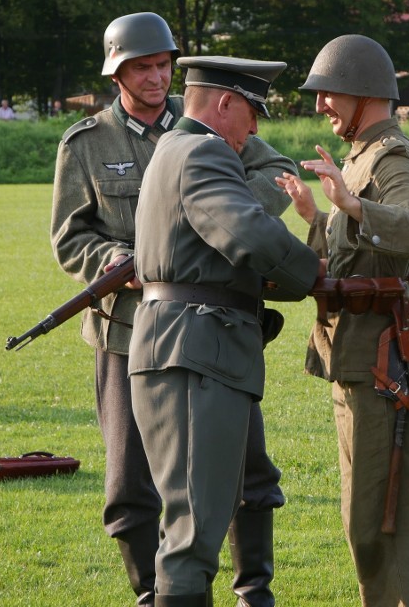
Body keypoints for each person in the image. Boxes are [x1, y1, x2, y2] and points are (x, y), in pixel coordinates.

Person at [51, 12, 297, 607]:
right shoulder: (87, 144)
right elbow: (68, 239)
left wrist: (209, 223)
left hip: (213, 330)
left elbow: (278, 171)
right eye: (144, 67)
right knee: (129, 483)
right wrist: (120, 258)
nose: (158, 76)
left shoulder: (204, 128)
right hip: (126, 330)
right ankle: (152, 594)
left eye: (164, 64)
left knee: (247, 470)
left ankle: (251, 592)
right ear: (118, 73)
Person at [128, 54, 321, 607]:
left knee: (193, 524)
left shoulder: (170, 148)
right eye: (253, 111)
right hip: (197, 354)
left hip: (186, 345)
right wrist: (316, 272)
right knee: (192, 537)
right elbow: (251, 235)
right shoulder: (204, 151)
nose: (257, 127)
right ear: (225, 103)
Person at [277, 34, 409, 607]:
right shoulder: (359, 156)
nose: (320, 104)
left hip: (387, 367)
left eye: (328, 93)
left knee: (387, 522)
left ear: (363, 93)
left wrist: (353, 206)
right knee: (363, 517)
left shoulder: (391, 155)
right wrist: (318, 218)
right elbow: (358, 255)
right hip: (359, 360)